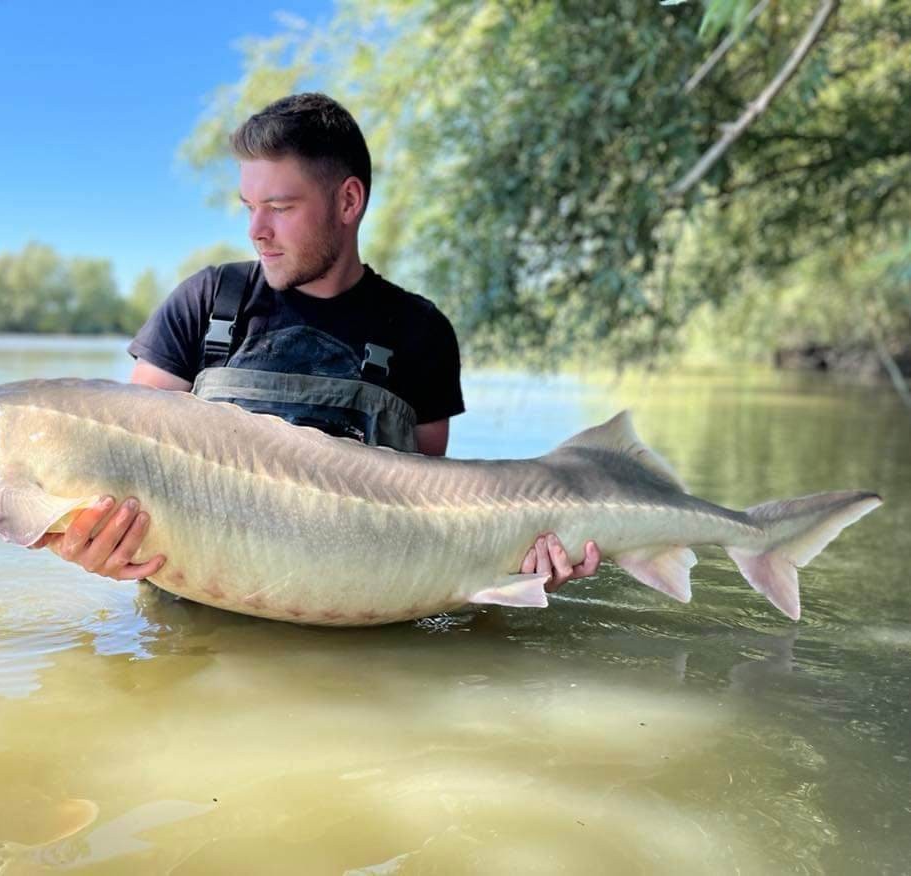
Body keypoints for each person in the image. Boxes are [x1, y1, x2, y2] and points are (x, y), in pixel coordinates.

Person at [34, 93, 600, 594]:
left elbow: (440, 517)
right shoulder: (206, 304)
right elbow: (126, 465)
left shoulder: (419, 332)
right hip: (196, 629)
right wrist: (98, 544)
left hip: (359, 638)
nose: (257, 230)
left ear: (349, 202)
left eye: (279, 208)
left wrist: (519, 561)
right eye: (249, 208)